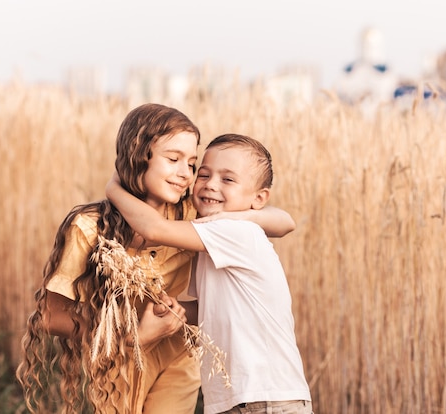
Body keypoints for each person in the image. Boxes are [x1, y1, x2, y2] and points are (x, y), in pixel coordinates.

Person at [16, 104, 296, 414]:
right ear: (138, 157)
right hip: (119, 360)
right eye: (174, 160)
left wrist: (114, 188)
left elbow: (282, 221)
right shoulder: (88, 226)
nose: (185, 174)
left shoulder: (196, 213)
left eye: (191, 164)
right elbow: (50, 317)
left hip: (179, 358)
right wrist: (130, 332)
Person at [106, 133, 313, 414]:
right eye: (203, 174)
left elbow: (154, 229)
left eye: (228, 179)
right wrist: (178, 311)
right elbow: (214, 308)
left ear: (259, 198)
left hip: (265, 399)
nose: (211, 185)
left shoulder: (237, 232)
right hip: (241, 398)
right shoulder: (215, 237)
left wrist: (114, 188)